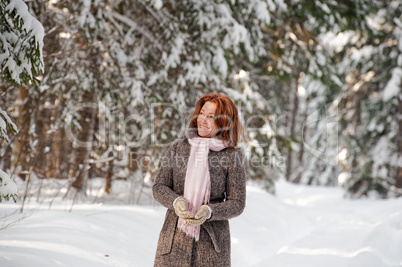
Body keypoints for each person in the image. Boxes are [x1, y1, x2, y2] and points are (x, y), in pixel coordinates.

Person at [152, 93, 246, 267]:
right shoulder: (178, 147)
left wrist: (209, 211)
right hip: (173, 243)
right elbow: (159, 186)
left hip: (211, 248)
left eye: (211, 117)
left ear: (224, 123)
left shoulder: (232, 156)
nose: (202, 120)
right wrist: (176, 202)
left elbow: (237, 203)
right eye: (202, 113)